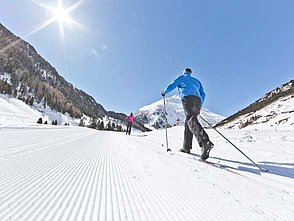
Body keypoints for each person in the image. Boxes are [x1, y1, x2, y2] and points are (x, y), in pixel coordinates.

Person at [161, 67, 214, 160]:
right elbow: (203, 94)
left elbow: (172, 85)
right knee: (188, 121)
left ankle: (205, 141)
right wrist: (200, 106)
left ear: (184, 72)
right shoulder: (197, 81)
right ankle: (186, 147)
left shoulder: (181, 78)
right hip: (197, 100)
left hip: (188, 98)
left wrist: (164, 92)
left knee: (190, 119)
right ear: (191, 73)